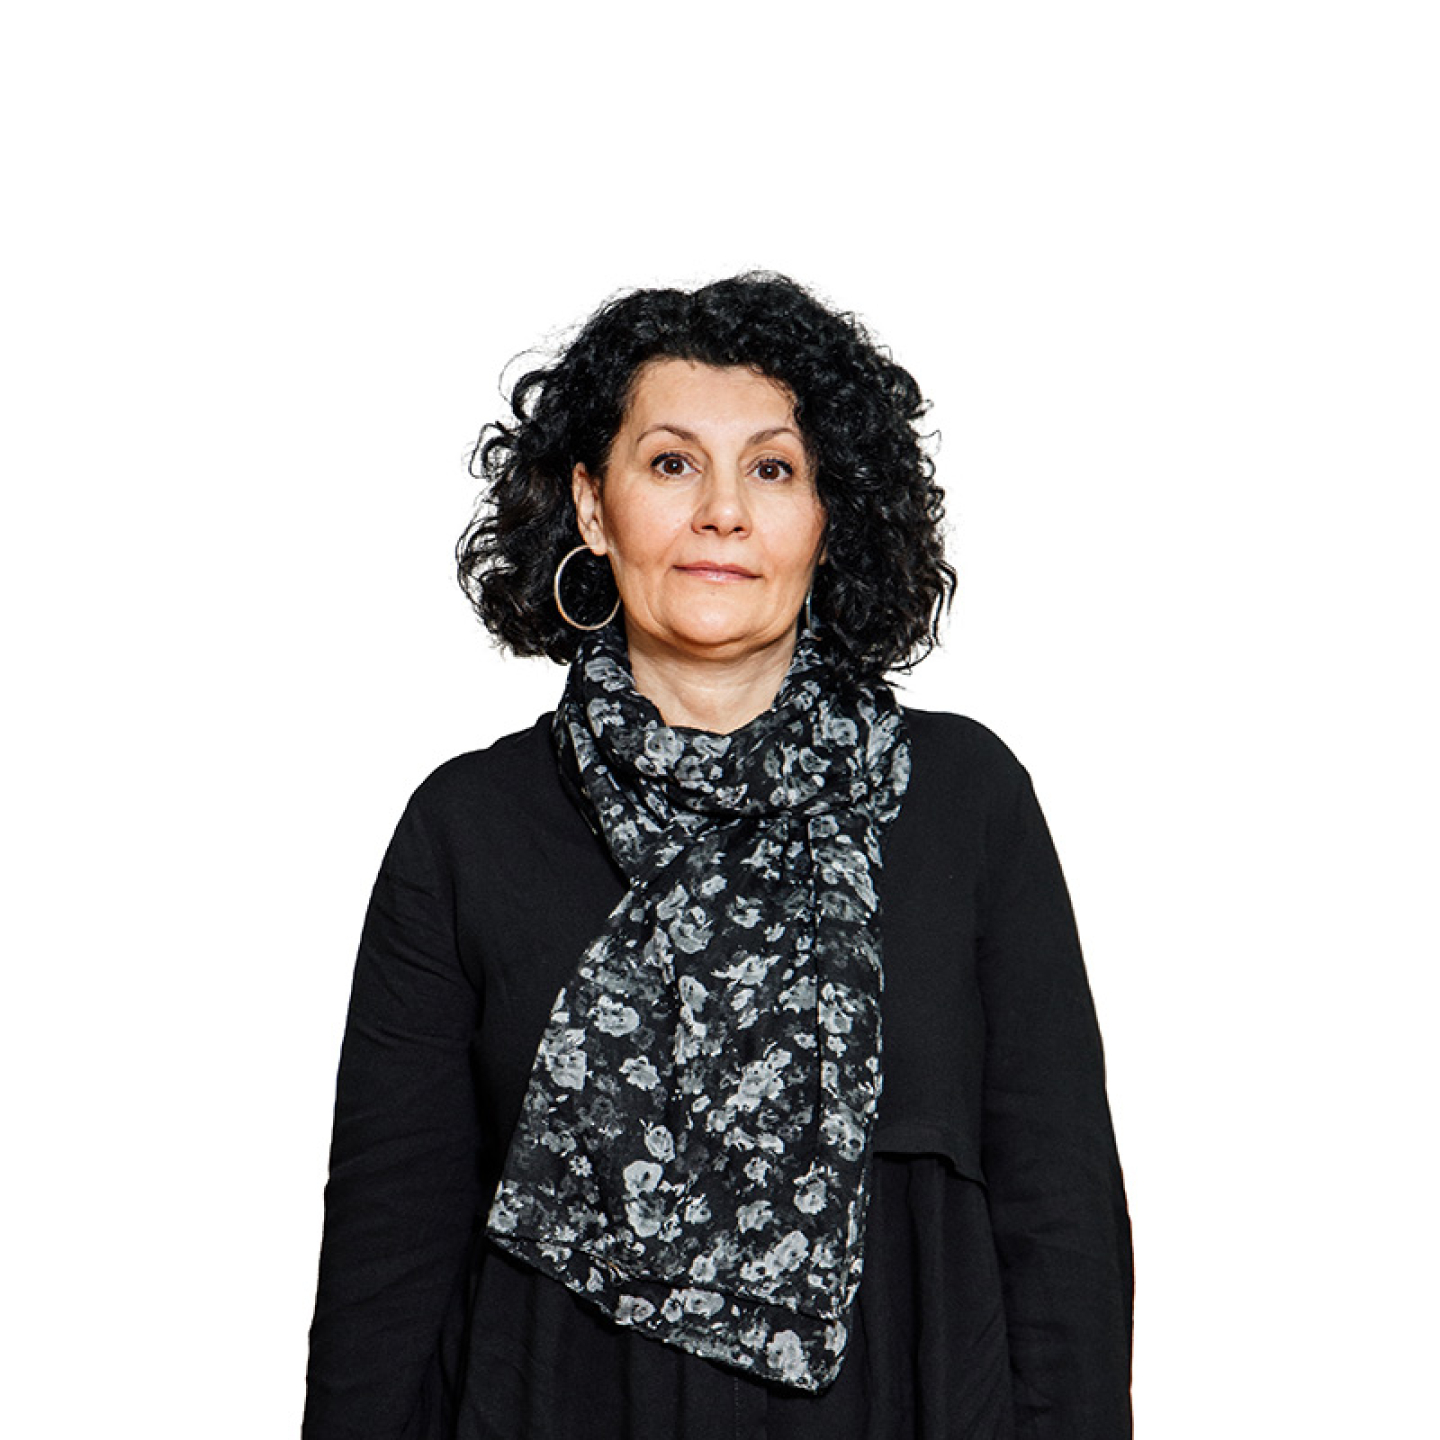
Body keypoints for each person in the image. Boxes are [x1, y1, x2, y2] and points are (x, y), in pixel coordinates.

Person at [303, 273, 1133, 1439]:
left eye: (774, 469)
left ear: (831, 514)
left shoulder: (964, 802)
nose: (724, 513)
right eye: (672, 463)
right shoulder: (469, 829)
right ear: (593, 507)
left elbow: (1063, 1235)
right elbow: (388, 1268)